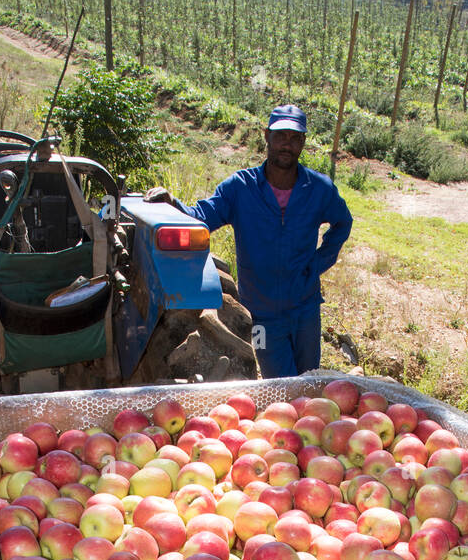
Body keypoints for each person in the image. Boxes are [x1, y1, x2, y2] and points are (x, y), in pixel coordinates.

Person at [145, 105, 352, 378]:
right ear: (267, 136)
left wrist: (317, 264)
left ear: (302, 142)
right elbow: (203, 216)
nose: (286, 144)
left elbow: (342, 222)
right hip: (261, 316)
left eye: (294, 137)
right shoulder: (241, 188)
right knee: (279, 384)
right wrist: (173, 203)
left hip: (305, 309)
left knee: (308, 379)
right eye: (280, 136)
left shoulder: (318, 188)